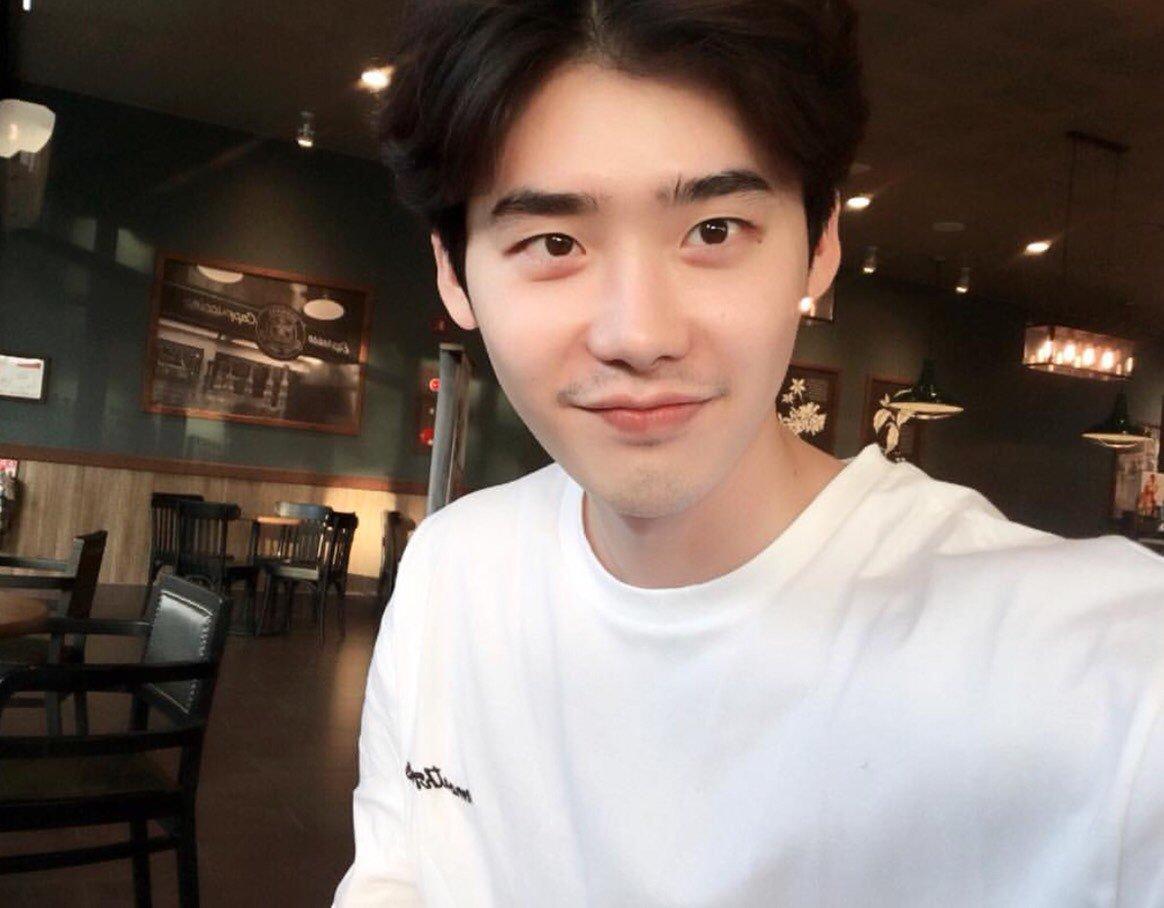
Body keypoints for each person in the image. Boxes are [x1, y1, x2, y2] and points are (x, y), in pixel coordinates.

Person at [334, 2, 1164, 904]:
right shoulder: (453, 571)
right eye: (553, 242)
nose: (639, 335)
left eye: (715, 230)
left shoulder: (1102, 678)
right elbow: (394, 877)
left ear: (821, 244)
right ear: (454, 273)